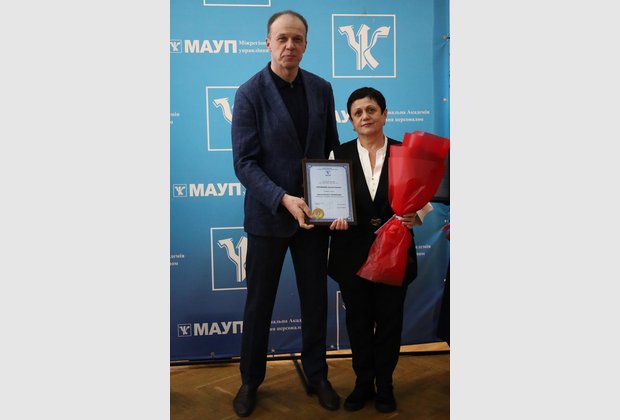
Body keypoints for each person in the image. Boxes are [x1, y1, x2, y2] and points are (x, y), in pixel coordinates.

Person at [230, 10, 340, 417]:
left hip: (314, 217)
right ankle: (250, 381)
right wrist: (283, 199)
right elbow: (244, 163)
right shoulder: (249, 93)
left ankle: (317, 375)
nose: (289, 45)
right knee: (259, 304)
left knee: (315, 301)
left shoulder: (322, 89)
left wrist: (339, 201)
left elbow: (332, 151)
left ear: (306, 45)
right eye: (282, 38)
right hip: (268, 218)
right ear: (268, 43)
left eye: (297, 39)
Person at [328, 87, 433, 413]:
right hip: (351, 253)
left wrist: (416, 214)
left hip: (395, 253)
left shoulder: (406, 153)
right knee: (358, 323)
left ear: (384, 115)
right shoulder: (337, 155)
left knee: (389, 323)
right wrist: (332, 218)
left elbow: (423, 198)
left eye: (371, 110)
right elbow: (329, 201)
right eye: (358, 112)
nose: (365, 117)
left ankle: (385, 385)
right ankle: (363, 383)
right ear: (350, 120)